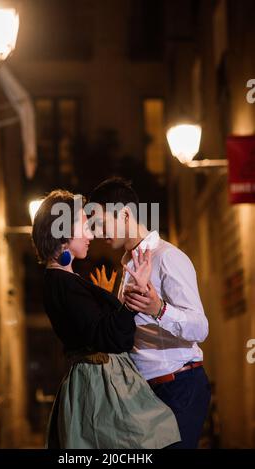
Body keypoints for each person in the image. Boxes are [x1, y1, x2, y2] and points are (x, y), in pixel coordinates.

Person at [31, 189, 180, 449]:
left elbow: (98, 327)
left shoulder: (63, 281)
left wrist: (106, 299)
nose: (91, 235)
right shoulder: (63, 283)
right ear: (63, 233)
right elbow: (112, 338)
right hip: (102, 392)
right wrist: (135, 295)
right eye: (83, 227)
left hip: (100, 385)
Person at [89, 177, 211, 449]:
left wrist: (159, 309)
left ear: (124, 214)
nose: (97, 232)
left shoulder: (167, 257)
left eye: (101, 222)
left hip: (179, 386)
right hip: (145, 392)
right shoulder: (128, 266)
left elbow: (200, 328)